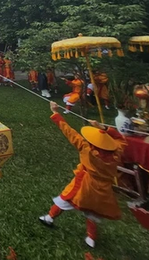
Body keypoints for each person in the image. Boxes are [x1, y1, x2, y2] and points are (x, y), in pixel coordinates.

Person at [39, 102, 126, 249]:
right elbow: (122, 140)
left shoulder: (87, 150)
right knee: (92, 211)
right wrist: (104, 128)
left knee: (65, 198)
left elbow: (69, 132)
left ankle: (49, 217)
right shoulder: (117, 153)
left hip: (85, 185)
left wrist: (55, 113)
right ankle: (91, 238)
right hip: (103, 191)